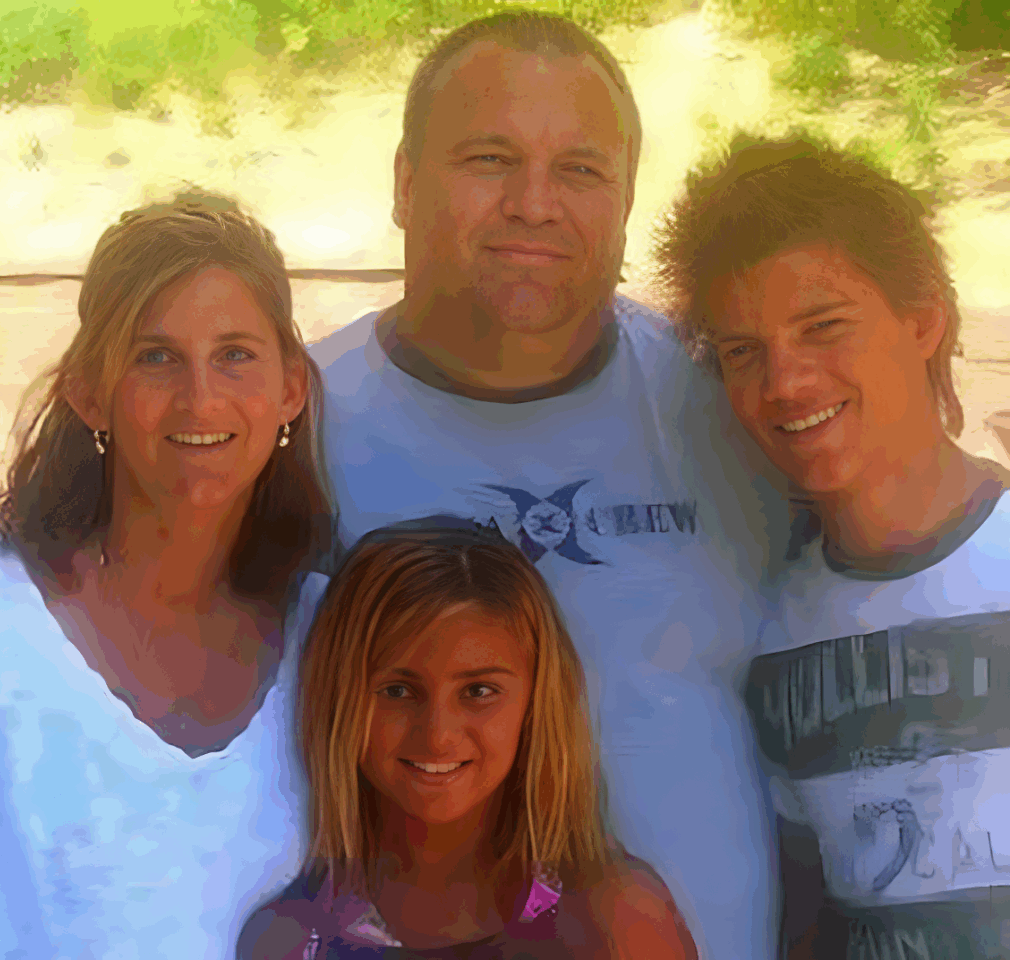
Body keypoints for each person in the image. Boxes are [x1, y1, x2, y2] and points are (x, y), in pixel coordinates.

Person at [308, 11, 789, 959]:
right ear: (404, 183)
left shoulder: (730, 404)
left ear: (626, 201)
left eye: (579, 169)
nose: (535, 203)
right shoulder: (295, 430)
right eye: (489, 158)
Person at [653, 132, 1010, 958]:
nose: (786, 381)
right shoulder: (770, 631)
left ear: (923, 323)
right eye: (744, 352)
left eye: (824, 326)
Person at [0, 193, 332, 957]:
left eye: (235, 353)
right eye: (155, 357)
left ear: (290, 389)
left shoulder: (337, 641)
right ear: (88, 394)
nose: (200, 397)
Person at [238, 522, 698, 959]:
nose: (437, 735)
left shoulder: (617, 917)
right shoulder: (289, 941)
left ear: (537, 702)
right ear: (338, 699)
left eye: (478, 692)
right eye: (397, 691)